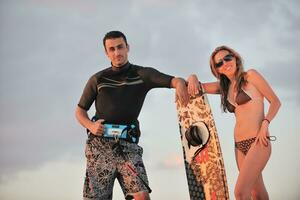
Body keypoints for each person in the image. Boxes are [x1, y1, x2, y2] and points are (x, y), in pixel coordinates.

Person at [75, 30, 189, 200]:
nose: (117, 52)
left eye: (120, 47)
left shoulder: (143, 74)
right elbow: (79, 111)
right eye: (112, 49)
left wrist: (180, 83)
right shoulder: (98, 79)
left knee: (141, 196)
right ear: (106, 53)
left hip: (128, 146)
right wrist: (90, 125)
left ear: (127, 47)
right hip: (99, 146)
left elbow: (174, 80)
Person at [187, 45, 281, 200]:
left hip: (258, 141)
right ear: (217, 70)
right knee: (256, 193)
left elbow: (275, 102)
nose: (225, 63)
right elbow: (197, 87)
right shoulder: (224, 87)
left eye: (227, 58)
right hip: (239, 146)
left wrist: (265, 123)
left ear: (235, 58)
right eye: (219, 63)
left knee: (240, 192)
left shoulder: (250, 76)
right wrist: (192, 76)